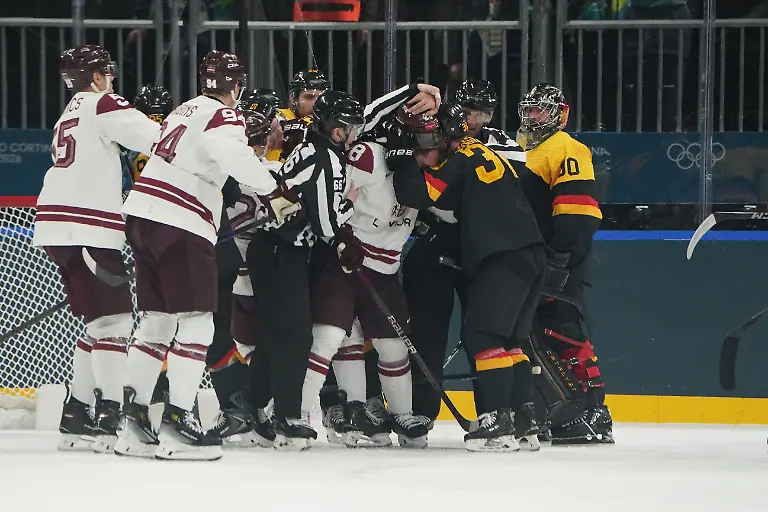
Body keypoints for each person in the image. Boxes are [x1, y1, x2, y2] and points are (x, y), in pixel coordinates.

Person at [118, 50, 299, 461]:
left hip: (142, 215)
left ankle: (134, 424)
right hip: (181, 220)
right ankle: (179, 422)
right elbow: (235, 157)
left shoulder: (184, 109)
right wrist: (273, 188)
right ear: (236, 85)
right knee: (197, 322)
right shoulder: (226, 115)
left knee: (156, 323)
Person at [388, 103, 546, 452]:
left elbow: (417, 194)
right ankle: (524, 420)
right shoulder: (482, 153)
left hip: (501, 257)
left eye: (429, 143)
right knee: (511, 342)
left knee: (483, 336)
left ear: (448, 138)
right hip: (531, 253)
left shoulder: (459, 160)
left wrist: (402, 160)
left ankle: (496, 420)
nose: (424, 152)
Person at [32, 44, 161, 453]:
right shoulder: (103, 103)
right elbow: (156, 139)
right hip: (83, 225)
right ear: (96, 76)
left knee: (97, 324)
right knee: (116, 323)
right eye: (107, 70)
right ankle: (110, 413)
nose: (112, 76)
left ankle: (76, 412)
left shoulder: (71, 110)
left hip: (59, 226)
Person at [299, 115, 430, 448]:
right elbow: (332, 197)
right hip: (348, 261)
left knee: (393, 346)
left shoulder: (426, 163)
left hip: (385, 268)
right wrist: (341, 237)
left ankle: (402, 415)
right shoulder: (368, 154)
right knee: (334, 340)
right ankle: (302, 416)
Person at [516, 83, 613, 444]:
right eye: (528, 109)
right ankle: (562, 408)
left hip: (560, 260)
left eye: (539, 110)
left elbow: (579, 215)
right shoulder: (522, 147)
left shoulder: (568, 149)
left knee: (565, 329)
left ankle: (594, 411)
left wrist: (561, 258)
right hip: (534, 259)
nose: (531, 117)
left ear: (559, 114)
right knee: (539, 334)